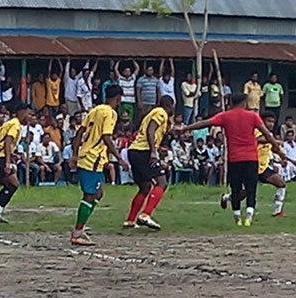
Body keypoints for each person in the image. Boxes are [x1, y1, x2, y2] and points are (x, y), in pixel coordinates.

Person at [179, 93, 282, 226]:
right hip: (251, 157)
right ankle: (249, 217)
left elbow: (205, 123)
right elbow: (267, 134)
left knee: (236, 188)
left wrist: (186, 128)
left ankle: (237, 218)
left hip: (234, 158)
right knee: (251, 188)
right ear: (244, 102)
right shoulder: (252, 116)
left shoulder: (225, 116)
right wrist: (277, 148)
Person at [69, 85, 127, 245]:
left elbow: (80, 132)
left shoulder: (94, 110)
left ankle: (81, 226)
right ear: (118, 98)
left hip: (89, 156)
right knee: (90, 195)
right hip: (93, 158)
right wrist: (119, 158)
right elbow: (107, 137)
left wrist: (75, 153)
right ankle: (77, 232)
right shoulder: (110, 113)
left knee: (98, 193)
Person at [220, 111, 290, 217]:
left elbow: (274, 148)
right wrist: (271, 140)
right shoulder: (255, 131)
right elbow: (255, 140)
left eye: (273, 122)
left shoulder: (270, 136)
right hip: (251, 166)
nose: (271, 124)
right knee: (244, 194)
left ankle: (277, 211)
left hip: (263, 167)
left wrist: (281, 157)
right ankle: (226, 197)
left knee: (281, 184)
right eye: (268, 121)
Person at [124, 95, 175, 230]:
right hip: (144, 151)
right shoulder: (161, 113)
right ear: (171, 106)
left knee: (145, 187)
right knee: (162, 182)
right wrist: (153, 151)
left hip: (134, 151)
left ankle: (130, 220)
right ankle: (145, 215)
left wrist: (158, 148)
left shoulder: (152, 113)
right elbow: (150, 130)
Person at [0, 103, 32, 223]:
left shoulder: (11, 122)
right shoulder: (15, 125)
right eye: (29, 114)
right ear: (21, 112)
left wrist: (10, 155)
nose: (30, 117)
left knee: (10, 184)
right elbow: (7, 141)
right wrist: (7, 162)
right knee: (13, 184)